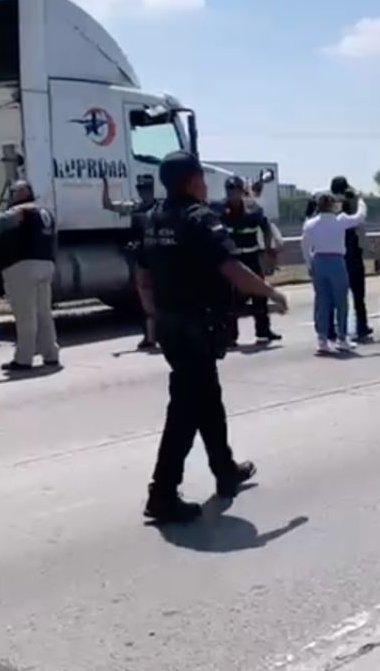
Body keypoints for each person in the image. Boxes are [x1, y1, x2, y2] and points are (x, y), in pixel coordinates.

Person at [136, 151, 289, 523]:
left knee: (207, 399)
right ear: (191, 181)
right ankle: (162, 493)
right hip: (196, 325)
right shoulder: (200, 219)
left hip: (172, 325)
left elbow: (142, 276)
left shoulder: (155, 217)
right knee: (186, 410)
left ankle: (225, 469)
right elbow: (232, 268)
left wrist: (154, 314)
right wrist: (271, 294)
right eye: (202, 179)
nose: (207, 185)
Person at [0, 181, 59, 371]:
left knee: (25, 316)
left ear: (19, 194)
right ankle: (51, 354)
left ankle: (23, 358)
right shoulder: (45, 211)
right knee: (44, 314)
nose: (11, 197)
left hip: (23, 266)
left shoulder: (19, 212)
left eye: (13, 193)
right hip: (46, 264)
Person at [301, 189, 367, 354]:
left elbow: (304, 246)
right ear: (332, 205)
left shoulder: (311, 224)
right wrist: (360, 201)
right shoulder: (340, 221)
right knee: (341, 301)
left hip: (319, 260)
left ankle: (322, 338)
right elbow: (360, 217)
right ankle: (342, 337)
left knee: (322, 301)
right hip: (337, 261)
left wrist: (310, 263)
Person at [220, 176, 281, 348]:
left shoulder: (253, 209)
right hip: (231, 259)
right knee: (229, 298)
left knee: (259, 295)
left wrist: (269, 247)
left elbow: (266, 227)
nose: (232, 193)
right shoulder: (218, 209)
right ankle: (230, 336)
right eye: (229, 190)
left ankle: (263, 331)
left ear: (241, 191)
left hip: (251, 256)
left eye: (235, 189)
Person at [102, 175, 159, 350]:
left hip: (161, 259)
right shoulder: (136, 206)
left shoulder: (161, 208)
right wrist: (105, 187)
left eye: (147, 189)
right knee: (144, 300)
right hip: (143, 259)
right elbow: (109, 205)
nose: (144, 193)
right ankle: (149, 337)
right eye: (141, 189)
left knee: (163, 300)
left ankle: (160, 335)